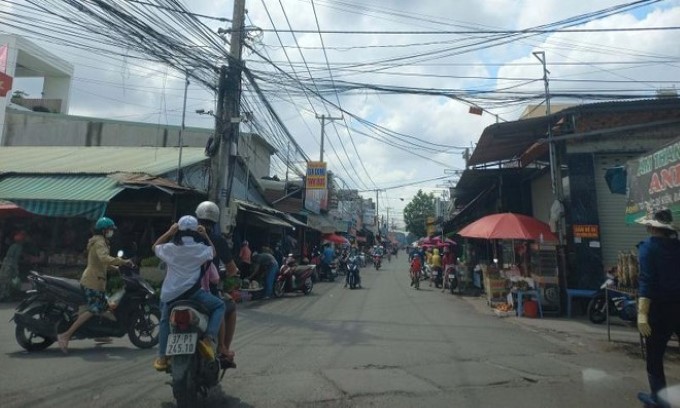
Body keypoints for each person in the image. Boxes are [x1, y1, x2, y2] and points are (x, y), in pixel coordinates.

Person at [152, 216, 226, 371]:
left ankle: (161, 357)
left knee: (165, 320)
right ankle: (208, 338)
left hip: (171, 296)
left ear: (177, 231)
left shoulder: (170, 248)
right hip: (194, 294)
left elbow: (155, 247)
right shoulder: (200, 248)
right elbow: (213, 252)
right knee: (219, 305)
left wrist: (169, 232)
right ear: (196, 231)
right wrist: (205, 235)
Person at [57, 217, 133, 353]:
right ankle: (65, 335)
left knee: (105, 308)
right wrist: (123, 262)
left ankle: (102, 334)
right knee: (95, 309)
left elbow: (99, 262)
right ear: (104, 230)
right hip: (93, 281)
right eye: (110, 230)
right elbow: (104, 258)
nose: (112, 232)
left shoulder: (98, 241)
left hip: (94, 279)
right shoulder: (100, 242)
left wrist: (115, 268)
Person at [635, 209, 680, 407]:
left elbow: (647, 280)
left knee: (654, 357)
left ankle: (660, 400)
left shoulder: (647, 248)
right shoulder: (678, 246)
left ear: (651, 226)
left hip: (659, 309)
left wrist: (642, 313)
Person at [195, 201, 239, 367]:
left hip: (179, 291)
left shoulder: (183, 238)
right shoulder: (216, 240)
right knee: (227, 306)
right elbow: (232, 270)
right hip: (205, 291)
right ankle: (223, 348)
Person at [0, 232, 26, 301]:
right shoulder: (19, 247)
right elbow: (15, 259)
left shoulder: (13, 245)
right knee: (7, 282)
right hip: (10, 266)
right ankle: (4, 296)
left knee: (3, 280)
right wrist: (16, 270)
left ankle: (3, 295)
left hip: (5, 264)